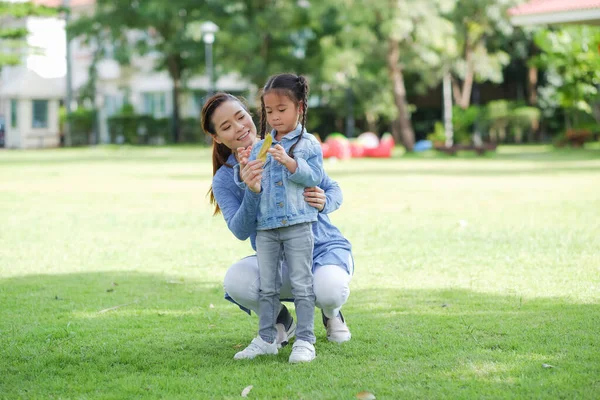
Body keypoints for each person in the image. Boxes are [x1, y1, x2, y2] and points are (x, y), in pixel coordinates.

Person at [200, 89, 353, 359]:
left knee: (328, 290)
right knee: (236, 280)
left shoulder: (288, 144)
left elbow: (333, 188)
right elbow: (240, 229)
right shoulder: (225, 178)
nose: (238, 128)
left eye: (240, 117)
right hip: (278, 259)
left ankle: (331, 313)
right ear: (216, 137)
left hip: (321, 251)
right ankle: (282, 321)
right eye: (226, 126)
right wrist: (252, 190)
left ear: (251, 115)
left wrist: (324, 200)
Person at [232, 73, 325, 363]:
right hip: (267, 228)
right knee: (267, 286)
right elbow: (250, 183)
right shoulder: (263, 143)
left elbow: (315, 176)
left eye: (281, 110)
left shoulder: (308, 144)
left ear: (299, 107)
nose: (274, 117)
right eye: (269, 111)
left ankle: (306, 340)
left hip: (298, 224)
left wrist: (290, 162)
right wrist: (245, 166)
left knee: (302, 284)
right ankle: (267, 338)